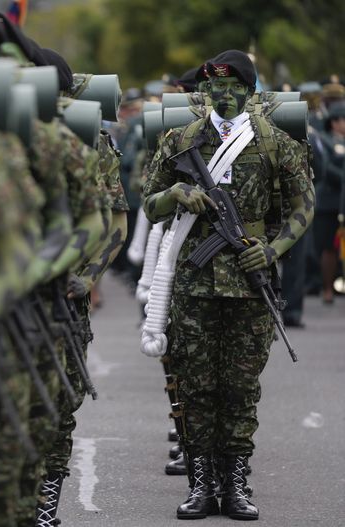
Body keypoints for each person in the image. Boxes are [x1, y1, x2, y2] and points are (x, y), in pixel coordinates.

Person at [142, 49, 314, 521]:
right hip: (193, 285)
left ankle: (235, 483)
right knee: (197, 388)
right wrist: (175, 193)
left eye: (234, 86)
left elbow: (304, 206)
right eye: (214, 86)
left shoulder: (275, 142)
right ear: (205, 91)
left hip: (248, 284)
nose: (223, 93)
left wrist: (274, 249)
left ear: (248, 90)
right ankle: (201, 485)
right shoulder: (180, 140)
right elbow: (148, 203)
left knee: (240, 389)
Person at [314, 102, 345, 304]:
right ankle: (327, 288)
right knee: (328, 247)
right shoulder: (323, 140)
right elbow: (325, 168)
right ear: (333, 122)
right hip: (329, 201)